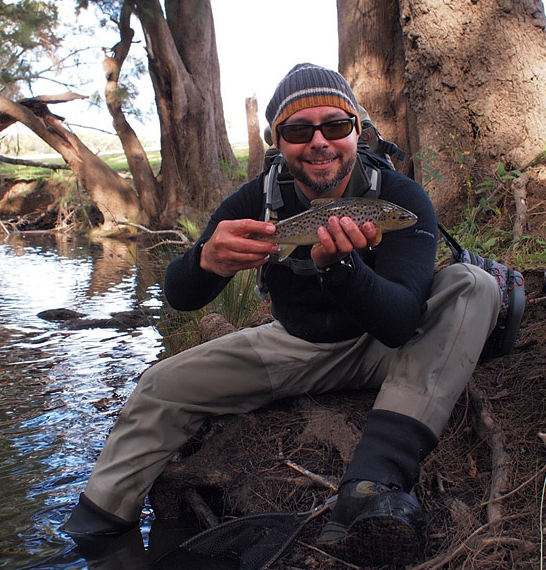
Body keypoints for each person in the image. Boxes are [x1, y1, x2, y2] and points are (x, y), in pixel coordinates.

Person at [63, 63, 500, 566]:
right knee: (159, 386)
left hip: (393, 348)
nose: (319, 142)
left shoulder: (399, 199)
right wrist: (205, 261)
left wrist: (341, 267)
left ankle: (371, 484)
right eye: (298, 130)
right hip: (294, 345)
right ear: (279, 141)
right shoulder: (256, 199)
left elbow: (402, 322)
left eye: (335, 126)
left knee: (473, 284)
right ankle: (94, 534)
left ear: (357, 130)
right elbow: (180, 296)